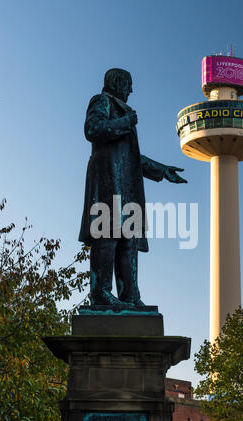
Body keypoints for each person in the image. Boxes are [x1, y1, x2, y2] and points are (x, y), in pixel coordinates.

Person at [79, 68, 187, 306]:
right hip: (108, 185)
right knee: (107, 234)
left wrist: (162, 170)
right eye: (128, 85)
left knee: (129, 240)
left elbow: (132, 157)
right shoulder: (103, 101)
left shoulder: (122, 112)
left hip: (127, 188)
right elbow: (92, 129)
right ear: (118, 83)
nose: (131, 90)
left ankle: (131, 295)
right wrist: (125, 122)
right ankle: (101, 293)